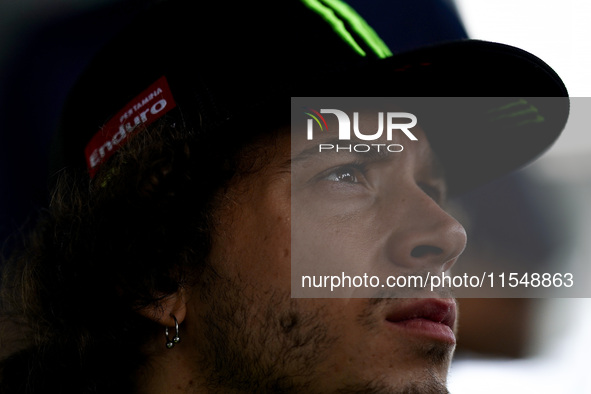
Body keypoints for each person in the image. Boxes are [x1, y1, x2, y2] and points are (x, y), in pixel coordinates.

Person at [0, 0, 568, 393]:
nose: (450, 235)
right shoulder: (51, 51)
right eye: (348, 173)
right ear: (154, 262)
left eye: (433, 188)